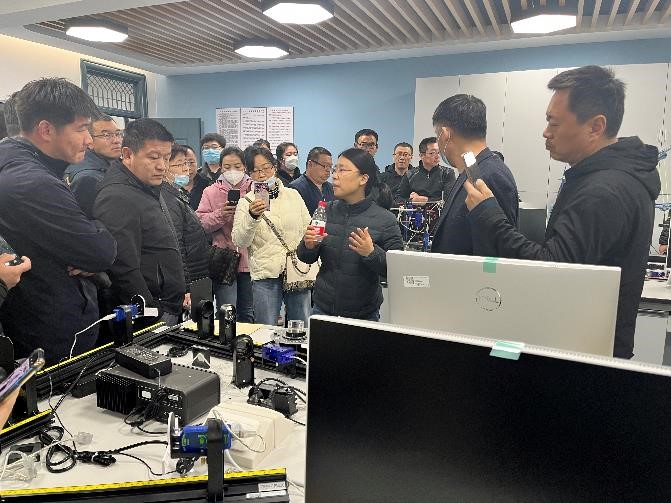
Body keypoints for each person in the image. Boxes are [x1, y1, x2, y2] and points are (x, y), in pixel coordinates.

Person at [464, 65, 661, 360]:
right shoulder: (603, 178)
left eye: (554, 123)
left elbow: (552, 271)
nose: (546, 132)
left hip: (584, 356)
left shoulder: (604, 192)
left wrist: (489, 215)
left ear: (596, 126)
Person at [0, 78, 117, 364]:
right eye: (81, 129)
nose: (89, 140)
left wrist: (87, 240)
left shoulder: (23, 167)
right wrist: (96, 232)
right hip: (49, 334)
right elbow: (101, 251)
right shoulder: (33, 182)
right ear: (46, 130)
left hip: (37, 320)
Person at [94, 118, 185, 326]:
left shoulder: (145, 187)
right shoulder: (117, 196)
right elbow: (122, 267)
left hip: (167, 304)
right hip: (152, 312)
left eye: (166, 158)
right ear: (127, 155)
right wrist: (152, 314)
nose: (162, 166)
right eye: (153, 157)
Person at [298, 148, 403, 320]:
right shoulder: (325, 211)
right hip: (322, 309)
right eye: (335, 170)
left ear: (363, 178)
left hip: (364, 315)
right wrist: (308, 246)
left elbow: (397, 270)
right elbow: (305, 257)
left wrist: (371, 253)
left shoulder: (385, 219)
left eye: (342, 170)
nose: (334, 176)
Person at [232, 146, 311, 326]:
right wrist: (252, 217)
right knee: (266, 328)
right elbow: (239, 241)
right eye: (256, 170)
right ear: (249, 173)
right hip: (265, 275)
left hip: (296, 271)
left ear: (274, 167)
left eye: (266, 168)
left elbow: (307, 228)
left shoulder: (293, 195)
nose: (262, 174)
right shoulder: (246, 202)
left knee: (302, 326)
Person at [431, 94, 519, 255]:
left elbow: (497, 252)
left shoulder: (491, 176)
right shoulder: (471, 170)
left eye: (437, 135)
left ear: (445, 133)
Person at [197, 146, 254, 321]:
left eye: (237, 166)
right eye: (227, 167)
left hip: (252, 259)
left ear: (245, 166)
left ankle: (246, 338)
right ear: (221, 167)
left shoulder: (256, 190)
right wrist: (220, 215)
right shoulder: (210, 191)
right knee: (226, 311)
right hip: (223, 259)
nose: (232, 171)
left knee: (248, 311)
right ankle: (225, 339)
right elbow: (201, 224)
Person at [163, 144, 211, 312]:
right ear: (164, 166)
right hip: (189, 277)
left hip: (196, 272)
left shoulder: (176, 194)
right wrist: (186, 286)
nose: (186, 169)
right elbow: (177, 244)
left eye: (187, 163)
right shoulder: (167, 199)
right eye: (179, 164)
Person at [63, 113, 123, 217]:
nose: (116, 141)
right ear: (89, 141)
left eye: (118, 134)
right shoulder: (89, 178)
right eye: (106, 135)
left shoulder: (108, 165)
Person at [398, 137, 456, 203]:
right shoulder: (409, 174)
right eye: (432, 153)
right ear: (421, 155)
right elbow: (398, 199)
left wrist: (426, 201)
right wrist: (411, 200)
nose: (437, 156)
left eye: (438, 152)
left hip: (440, 209)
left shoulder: (447, 173)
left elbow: (450, 199)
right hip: (415, 209)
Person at [289, 146, 334, 214]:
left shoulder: (330, 188)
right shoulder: (295, 188)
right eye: (325, 165)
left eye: (330, 166)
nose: (328, 170)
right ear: (310, 164)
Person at [190, 133, 226, 210]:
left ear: (223, 149)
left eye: (214, 147)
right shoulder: (197, 175)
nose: (210, 151)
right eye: (206, 148)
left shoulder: (229, 174)